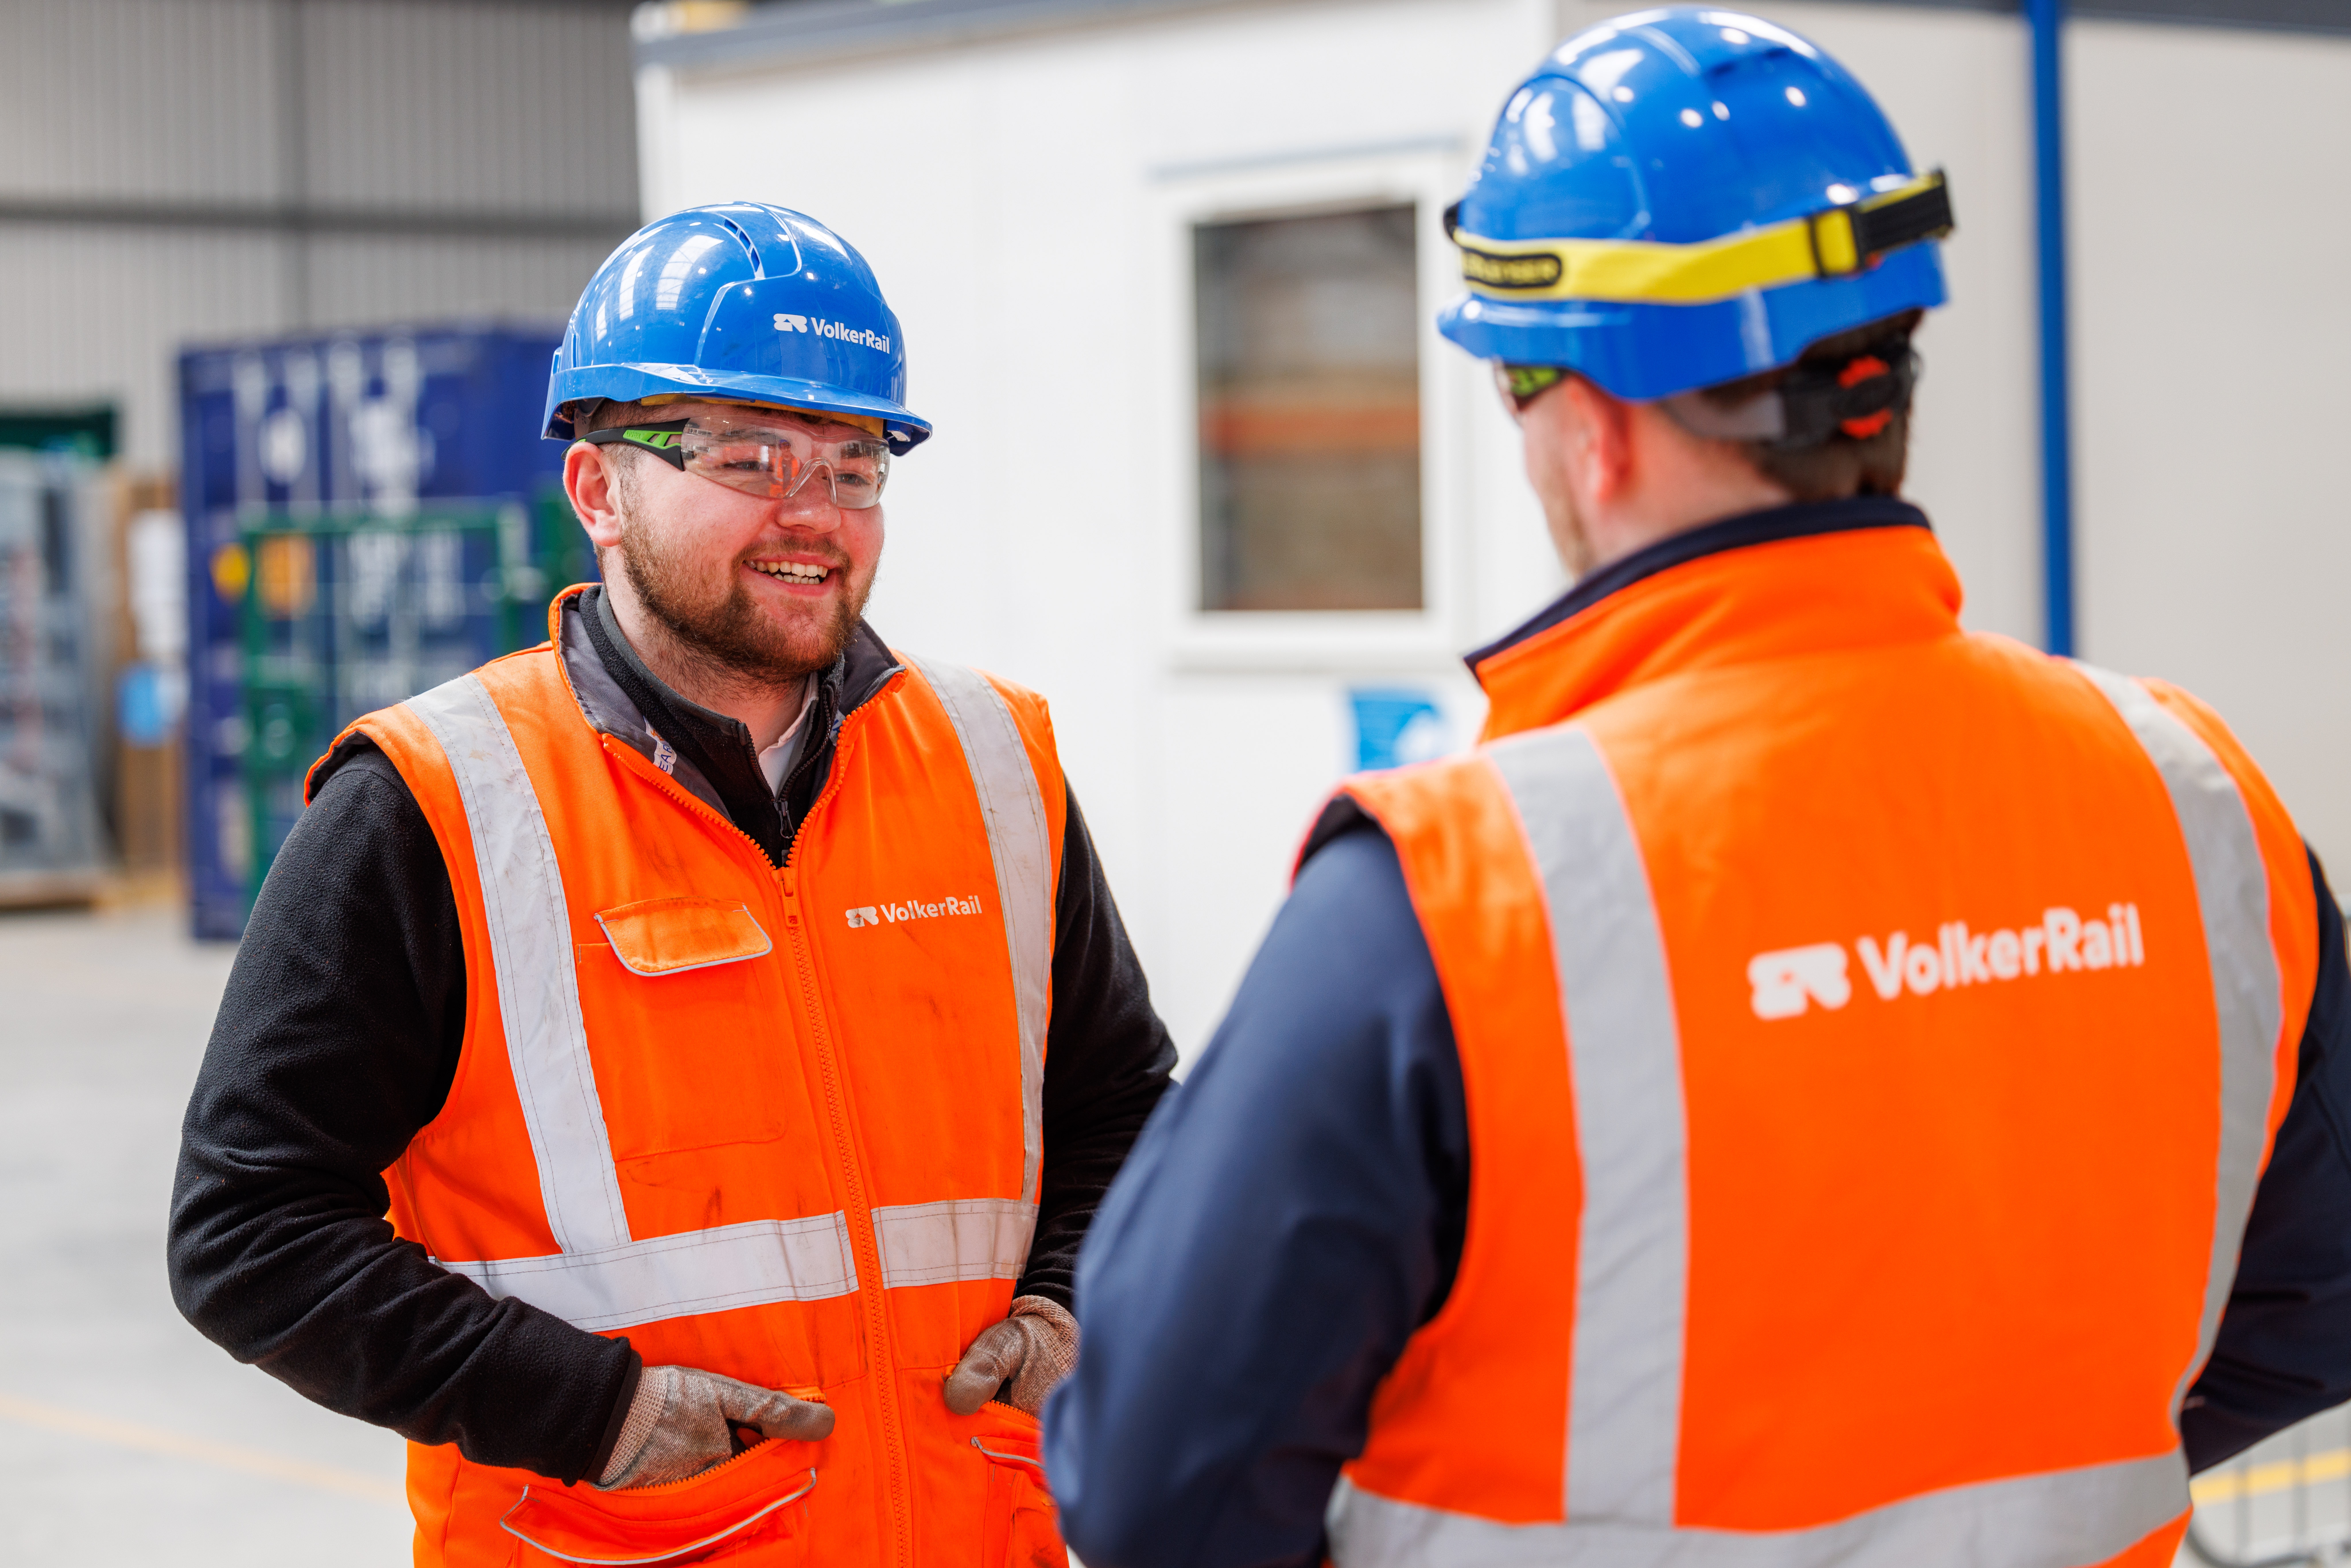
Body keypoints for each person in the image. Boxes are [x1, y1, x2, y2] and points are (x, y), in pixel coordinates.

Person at [1044, 12, 2351, 1567]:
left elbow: (1150, 1486)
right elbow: (2316, 1300)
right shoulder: (2197, 801)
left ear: (1590, 429)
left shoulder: (1456, 892)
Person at [170, 201, 1175, 1567]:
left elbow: (1122, 1104)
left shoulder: (993, 762)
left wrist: (1069, 1304)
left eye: (853, 462)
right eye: (746, 455)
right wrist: (593, 1413)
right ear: (598, 489)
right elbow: (249, 1229)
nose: (810, 513)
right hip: (626, 1538)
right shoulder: (433, 802)